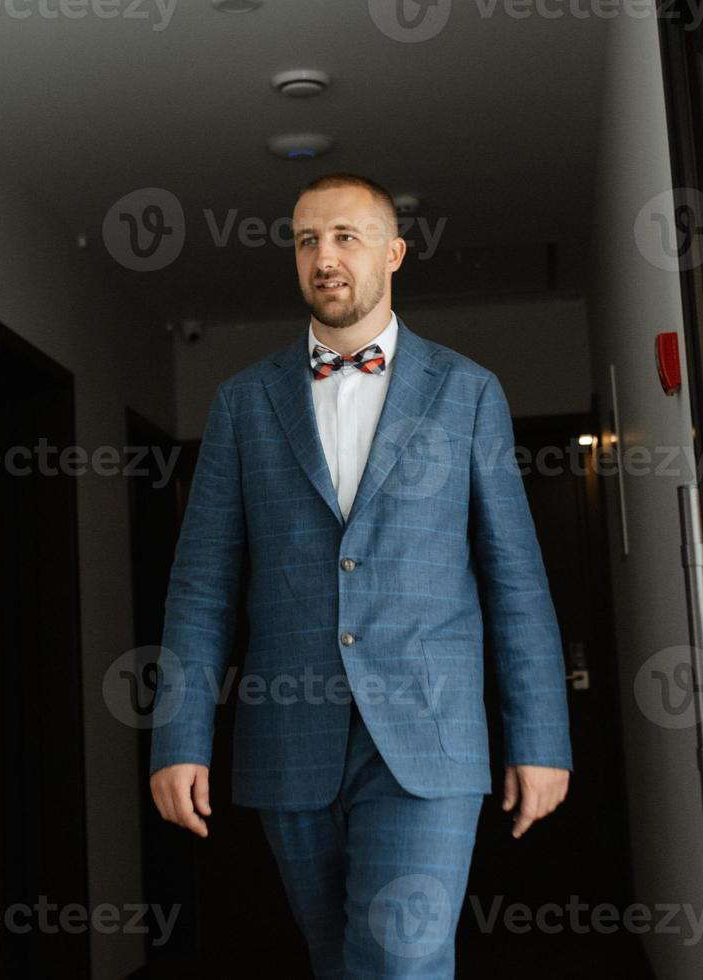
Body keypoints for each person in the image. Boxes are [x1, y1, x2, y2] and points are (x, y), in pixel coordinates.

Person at [148, 171, 573, 976]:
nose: (325, 257)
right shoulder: (242, 404)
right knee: (340, 960)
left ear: (395, 253)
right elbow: (201, 585)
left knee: (399, 960)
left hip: (429, 738)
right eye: (308, 240)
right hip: (289, 738)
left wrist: (541, 735)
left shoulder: (467, 393)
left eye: (347, 236)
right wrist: (178, 736)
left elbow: (516, 579)